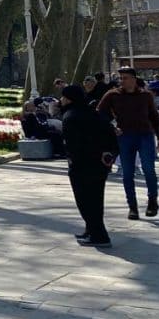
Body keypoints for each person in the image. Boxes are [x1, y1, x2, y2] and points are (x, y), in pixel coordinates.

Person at [98, 66, 159, 220]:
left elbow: (154, 116)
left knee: (148, 169)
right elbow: (100, 113)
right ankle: (132, 207)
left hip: (145, 135)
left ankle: (152, 201)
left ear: (134, 79)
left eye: (125, 78)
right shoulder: (113, 95)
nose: (122, 81)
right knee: (127, 173)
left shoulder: (145, 95)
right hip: (124, 136)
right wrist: (112, 126)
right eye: (120, 78)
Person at [61, 83, 118, 247]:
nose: (61, 99)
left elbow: (72, 144)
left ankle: (99, 235)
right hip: (99, 164)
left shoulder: (71, 116)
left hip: (82, 165)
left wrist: (72, 160)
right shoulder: (94, 113)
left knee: (85, 201)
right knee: (96, 199)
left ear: (69, 98)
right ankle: (91, 230)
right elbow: (111, 135)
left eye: (64, 96)